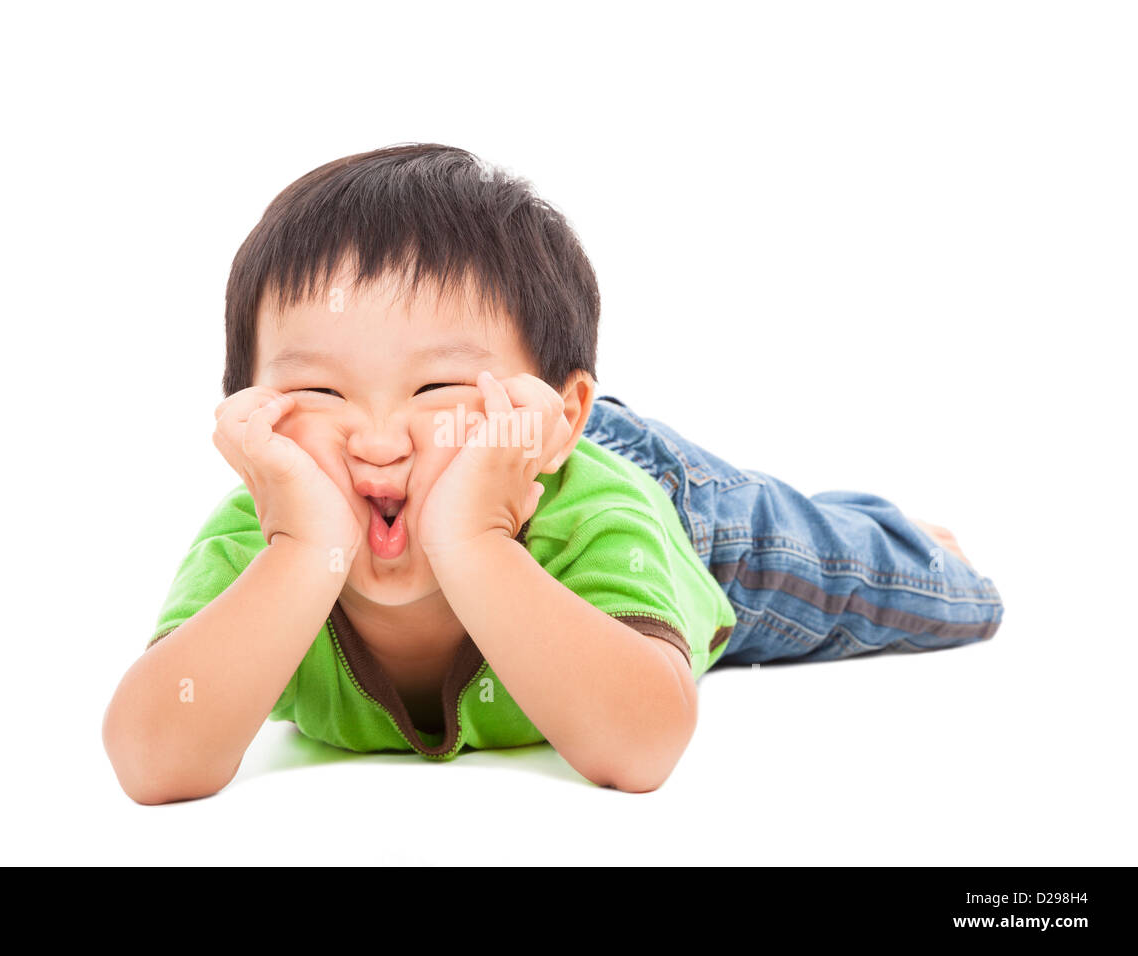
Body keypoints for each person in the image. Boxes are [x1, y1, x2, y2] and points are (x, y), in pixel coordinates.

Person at [102, 143, 1004, 804]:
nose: (377, 441)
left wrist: (474, 541)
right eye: (318, 390)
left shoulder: (596, 515)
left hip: (670, 503)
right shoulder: (262, 536)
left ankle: (906, 533)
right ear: (245, 410)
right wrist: (303, 555)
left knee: (846, 574)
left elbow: (641, 744)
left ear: (558, 411)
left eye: (439, 385)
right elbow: (151, 760)